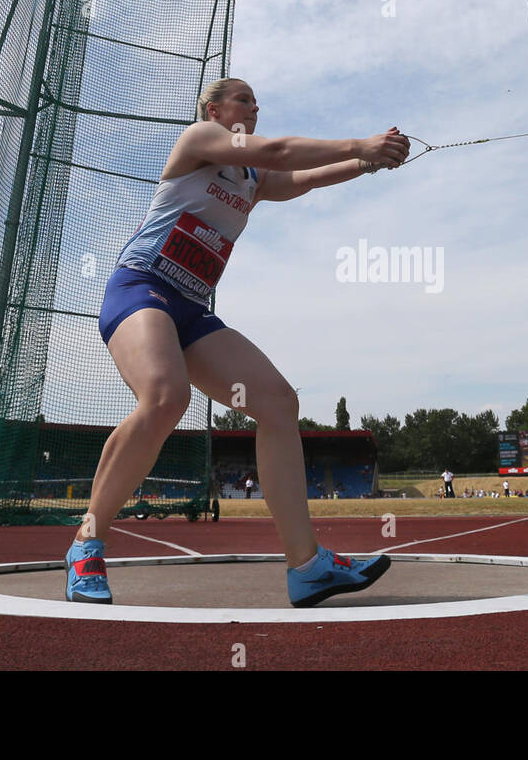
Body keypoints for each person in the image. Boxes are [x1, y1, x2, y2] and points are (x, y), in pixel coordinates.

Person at [67, 77, 409, 608]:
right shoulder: (197, 140)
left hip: (191, 309)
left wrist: (370, 163)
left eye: (257, 101)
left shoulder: (251, 176)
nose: (255, 107)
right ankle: (87, 542)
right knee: (165, 396)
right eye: (244, 98)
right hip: (141, 289)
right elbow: (278, 149)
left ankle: (308, 566)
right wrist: (358, 143)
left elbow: (301, 178)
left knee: (277, 403)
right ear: (213, 108)